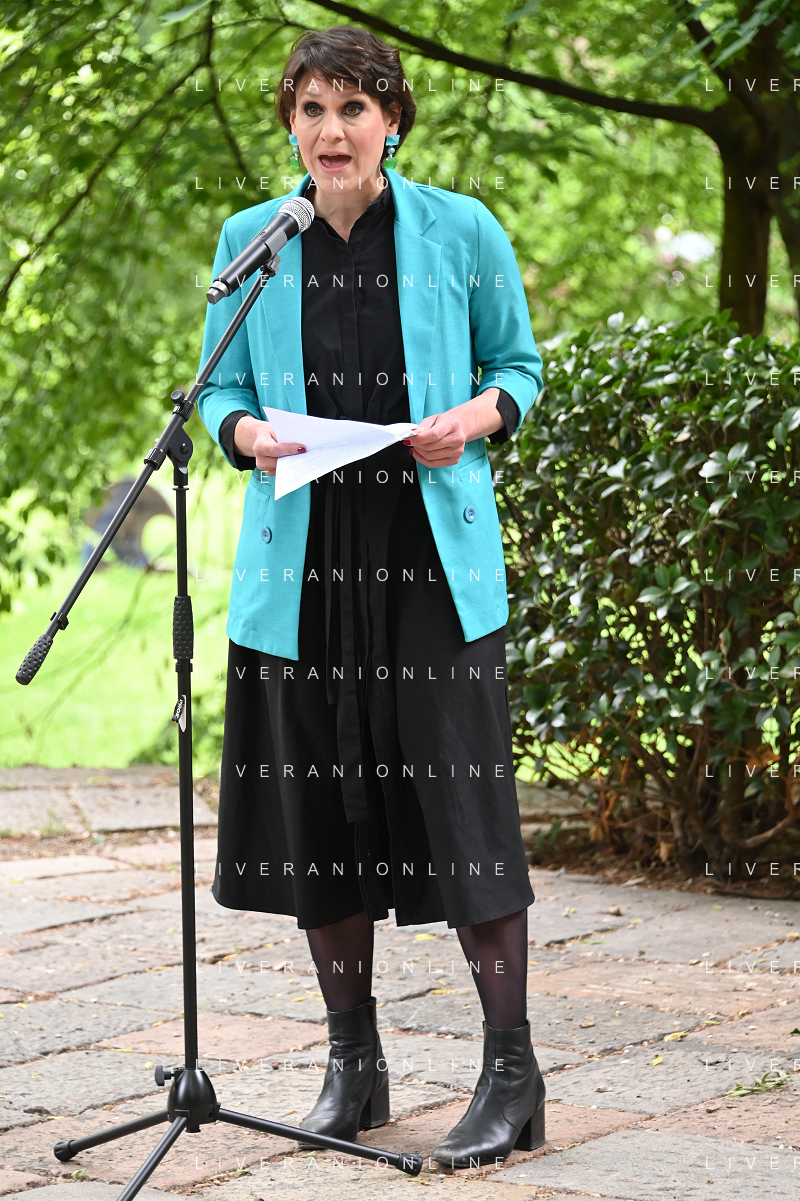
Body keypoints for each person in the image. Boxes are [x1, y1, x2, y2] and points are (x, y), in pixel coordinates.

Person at [196, 25, 546, 1169]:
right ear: (291, 127)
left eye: (353, 107)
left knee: (462, 809)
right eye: (311, 109)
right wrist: (245, 434)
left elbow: (518, 369)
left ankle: (511, 1075)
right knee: (320, 811)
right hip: (299, 561)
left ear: (391, 121)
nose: (331, 130)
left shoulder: (461, 228)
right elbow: (217, 390)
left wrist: (471, 421)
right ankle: (354, 1064)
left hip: (427, 557)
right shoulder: (254, 239)